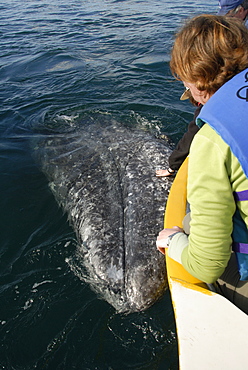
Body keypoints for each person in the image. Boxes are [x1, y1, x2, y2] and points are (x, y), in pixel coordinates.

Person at [156, 14, 248, 314]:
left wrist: (173, 241)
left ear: (197, 84)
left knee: (186, 226)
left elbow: (207, 265)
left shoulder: (212, 141)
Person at [156, 0, 248, 179]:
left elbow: (209, 205)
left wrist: (173, 167)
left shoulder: (210, 135)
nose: (184, 85)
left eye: (185, 81)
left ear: (200, 82)